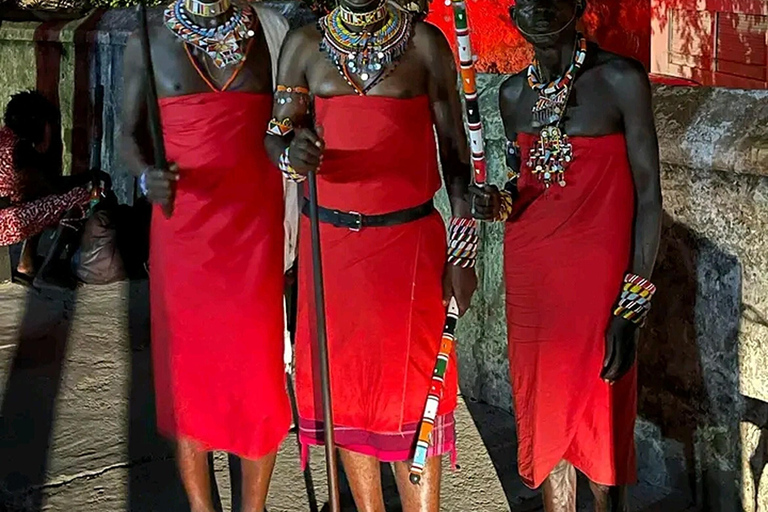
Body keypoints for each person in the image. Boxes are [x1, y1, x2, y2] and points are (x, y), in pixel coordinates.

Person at [263, 1, 477, 510]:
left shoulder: (425, 44)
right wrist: (292, 154)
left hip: (408, 251)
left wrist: (464, 253)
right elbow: (276, 135)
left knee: (413, 397)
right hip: (331, 253)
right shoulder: (304, 44)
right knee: (349, 397)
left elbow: (456, 152)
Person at [471, 0, 662, 510]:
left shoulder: (621, 80)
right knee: (546, 415)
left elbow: (648, 198)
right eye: (525, 2)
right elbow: (520, 181)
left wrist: (632, 306)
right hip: (534, 276)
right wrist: (497, 200)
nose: (537, 10)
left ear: (577, 6)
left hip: (600, 280)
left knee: (603, 419)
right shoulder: (513, 94)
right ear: (512, 14)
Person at [120, 0, 297, 510]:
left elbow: (290, 123)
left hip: (255, 229)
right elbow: (126, 137)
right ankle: (201, 507)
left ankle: (254, 507)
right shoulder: (147, 37)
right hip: (184, 229)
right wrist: (143, 174)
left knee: (259, 371)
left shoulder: (272, 33)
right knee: (188, 372)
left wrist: (298, 147)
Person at [0, 90, 94, 280]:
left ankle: (27, 262)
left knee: (39, 197)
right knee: (77, 196)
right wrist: (90, 178)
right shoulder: (21, 149)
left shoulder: (5, 138)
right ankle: (48, 269)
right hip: (3, 222)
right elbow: (55, 185)